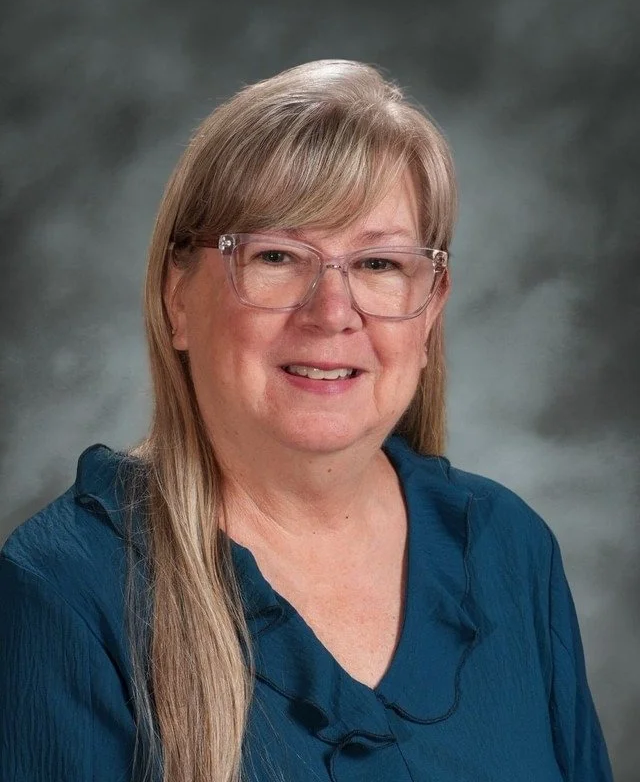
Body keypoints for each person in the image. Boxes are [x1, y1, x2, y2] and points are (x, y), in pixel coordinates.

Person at [0, 60, 613, 782]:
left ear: (431, 306)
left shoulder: (510, 550)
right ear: (177, 299)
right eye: (278, 256)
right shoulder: (62, 595)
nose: (331, 313)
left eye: (380, 263)